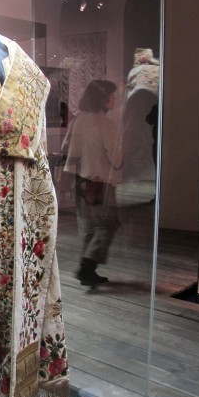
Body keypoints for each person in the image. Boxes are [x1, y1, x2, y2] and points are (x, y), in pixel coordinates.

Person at [64, 79, 122, 286]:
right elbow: (117, 158)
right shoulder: (105, 124)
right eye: (112, 95)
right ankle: (87, 266)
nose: (115, 98)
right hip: (100, 182)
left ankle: (87, 270)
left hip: (79, 180)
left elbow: (66, 148)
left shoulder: (78, 120)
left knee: (89, 227)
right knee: (107, 224)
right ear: (103, 98)